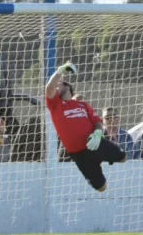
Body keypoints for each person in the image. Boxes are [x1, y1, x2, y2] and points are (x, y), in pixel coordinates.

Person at [45, 61, 126, 192]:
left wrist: (98, 134)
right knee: (101, 187)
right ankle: (97, 162)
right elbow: (49, 88)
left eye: (58, 85)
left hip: (96, 143)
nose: (55, 87)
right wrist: (61, 69)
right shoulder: (55, 105)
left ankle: (102, 155)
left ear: (66, 87)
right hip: (79, 154)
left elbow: (97, 122)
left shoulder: (83, 105)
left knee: (123, 158)